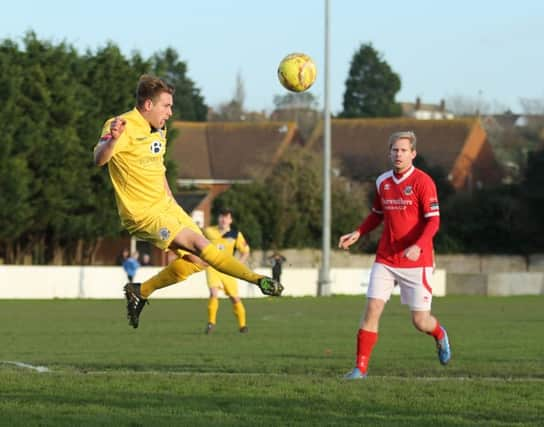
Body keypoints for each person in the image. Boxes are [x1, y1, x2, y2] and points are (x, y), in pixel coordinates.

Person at [93, 74, 283, 329]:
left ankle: (140, 291)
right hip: (143, 214)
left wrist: (172, 202)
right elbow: (99, 158)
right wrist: (114, 139)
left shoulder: (159, 129)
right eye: (166, 106)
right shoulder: (121, 125)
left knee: (199, 261)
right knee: (201, 244)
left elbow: (157, 169)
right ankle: (258, 280)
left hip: (167, 207)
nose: (170, 112)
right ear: (148, 105)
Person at [338, 131, 451, 379]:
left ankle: (440, 334)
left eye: (403, 150)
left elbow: (433, 222)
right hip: (386, 259)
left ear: (413, 154)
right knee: (372, 308)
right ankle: (360, 368)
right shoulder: (382, 182)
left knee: (420, 321)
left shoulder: (423, 182)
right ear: (389, 152)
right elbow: (377, 213)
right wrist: (358, 232)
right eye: (394, 150)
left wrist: (419, 245)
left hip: (416, 261)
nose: (398, 154)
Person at [203, 208, 251, 334]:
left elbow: (245, 251)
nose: (223, 220)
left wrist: (237, 265)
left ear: (230, 220)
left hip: (228, 269)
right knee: (213, 293)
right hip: (212, 268)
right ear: (218, 218)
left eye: (226, 217)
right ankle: (211, 323)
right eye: (221, 217)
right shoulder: (208, 231)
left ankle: (242, 325)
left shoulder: (235, 234)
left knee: (235, 298)